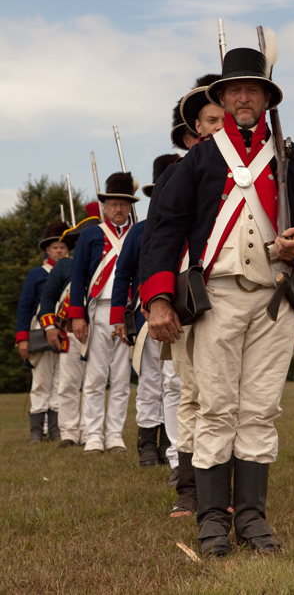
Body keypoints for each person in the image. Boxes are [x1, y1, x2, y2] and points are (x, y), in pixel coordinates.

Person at [142, 47, 294, 556]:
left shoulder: (290, 157)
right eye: (235, 91)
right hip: (219, 299)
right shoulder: (200, 160)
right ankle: (211, 521)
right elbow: (164, 229)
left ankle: (252, 518)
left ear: (266, 98)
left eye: (254, 90)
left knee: (259, 410)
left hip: (276, 300)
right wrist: (159, 300)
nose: (244, 97)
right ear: (223, 99)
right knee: (216, 409)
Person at [140, 74, 224, 518]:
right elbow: (157, 240)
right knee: (190, 392)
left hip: (248, 295)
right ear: (195, 129)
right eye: (211, 120)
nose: (219, 127)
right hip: (191, 295)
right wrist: (158, 298)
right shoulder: (178, 173)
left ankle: (237, 490)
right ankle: (191, 488)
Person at [110, 155, 180, 477]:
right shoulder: (138, 233)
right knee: (151, 380)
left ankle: (171, 441)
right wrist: (118, 319)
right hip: (145, 317)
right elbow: (122, 276)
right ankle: (147, 444)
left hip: (183, 315)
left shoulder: (186, 228)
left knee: (176, 381)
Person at [68, 172, 139, 455]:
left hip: (128, 313)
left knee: (121, 378)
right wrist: (77, 315)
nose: (118, 208)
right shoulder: (90, 235)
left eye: (123, 203)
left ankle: (115, 436)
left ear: (130, 206)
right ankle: (95, 436)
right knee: (96, 377)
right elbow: (78, 277)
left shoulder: (138, 232)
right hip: (98, 310)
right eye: (113, 204)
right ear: (105, 206)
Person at [39, 205, 101, 448]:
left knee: (93, 383)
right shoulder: (64, 265)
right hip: (69, 332)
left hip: (98, 330)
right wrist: (50, 327)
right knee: (68, 384)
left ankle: (89, 431)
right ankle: (69, 432)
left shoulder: (105, 265)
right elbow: (47, 298)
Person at [15, 221, 70, 443]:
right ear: (47, 250)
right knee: (40, 382)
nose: (59, 250)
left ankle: (56, 429)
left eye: (63, 247)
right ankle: (37, 431)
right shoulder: (36, 273)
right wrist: (22, 339)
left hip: (65, 334)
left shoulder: (72, 271)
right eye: (55, 247)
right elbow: (25, 307)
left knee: (61, 382)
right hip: (40, 334)